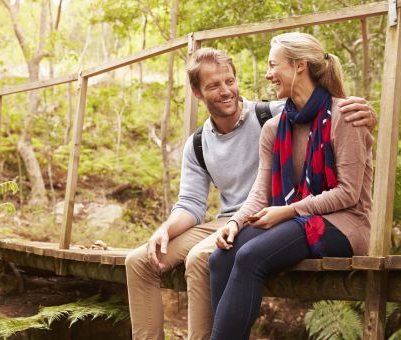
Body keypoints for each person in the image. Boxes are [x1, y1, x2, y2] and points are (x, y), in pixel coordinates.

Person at [125, 47, 376, 340]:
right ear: (197, 93)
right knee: (139, 260)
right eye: (213, 86)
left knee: (200, 257)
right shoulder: (197, 143)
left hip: (273, 217)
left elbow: (327, 110)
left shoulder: (272, 114)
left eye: (229, 81)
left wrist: (367, 114)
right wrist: (165, 230)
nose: (225, 91)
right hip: (231, 219)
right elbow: (192, 204)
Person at [208, 32, 374, 340]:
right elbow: (260, 192)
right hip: (299, 218)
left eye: (273, 65)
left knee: (250, 256)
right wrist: (234, 223)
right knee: (221, 256)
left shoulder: (345, 116)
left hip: (345, 224)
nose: (268, 74)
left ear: (298, 66)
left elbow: (349, 193)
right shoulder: (274, 127)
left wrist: (288, 211)